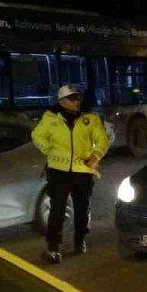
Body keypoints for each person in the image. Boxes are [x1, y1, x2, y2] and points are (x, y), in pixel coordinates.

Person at [31, 84, 110, 264]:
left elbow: (102, 139)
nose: (77, 101)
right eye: (72, 98)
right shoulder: (50, 118)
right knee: (57, 210)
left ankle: (80, 239)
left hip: (83, 171)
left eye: (78, 97)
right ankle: (53, 246)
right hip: (58, 172)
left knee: (82, 210)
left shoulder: (90, 117)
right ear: (62, 101)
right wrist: (50, 151)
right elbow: (37, 136)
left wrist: (96, 155)